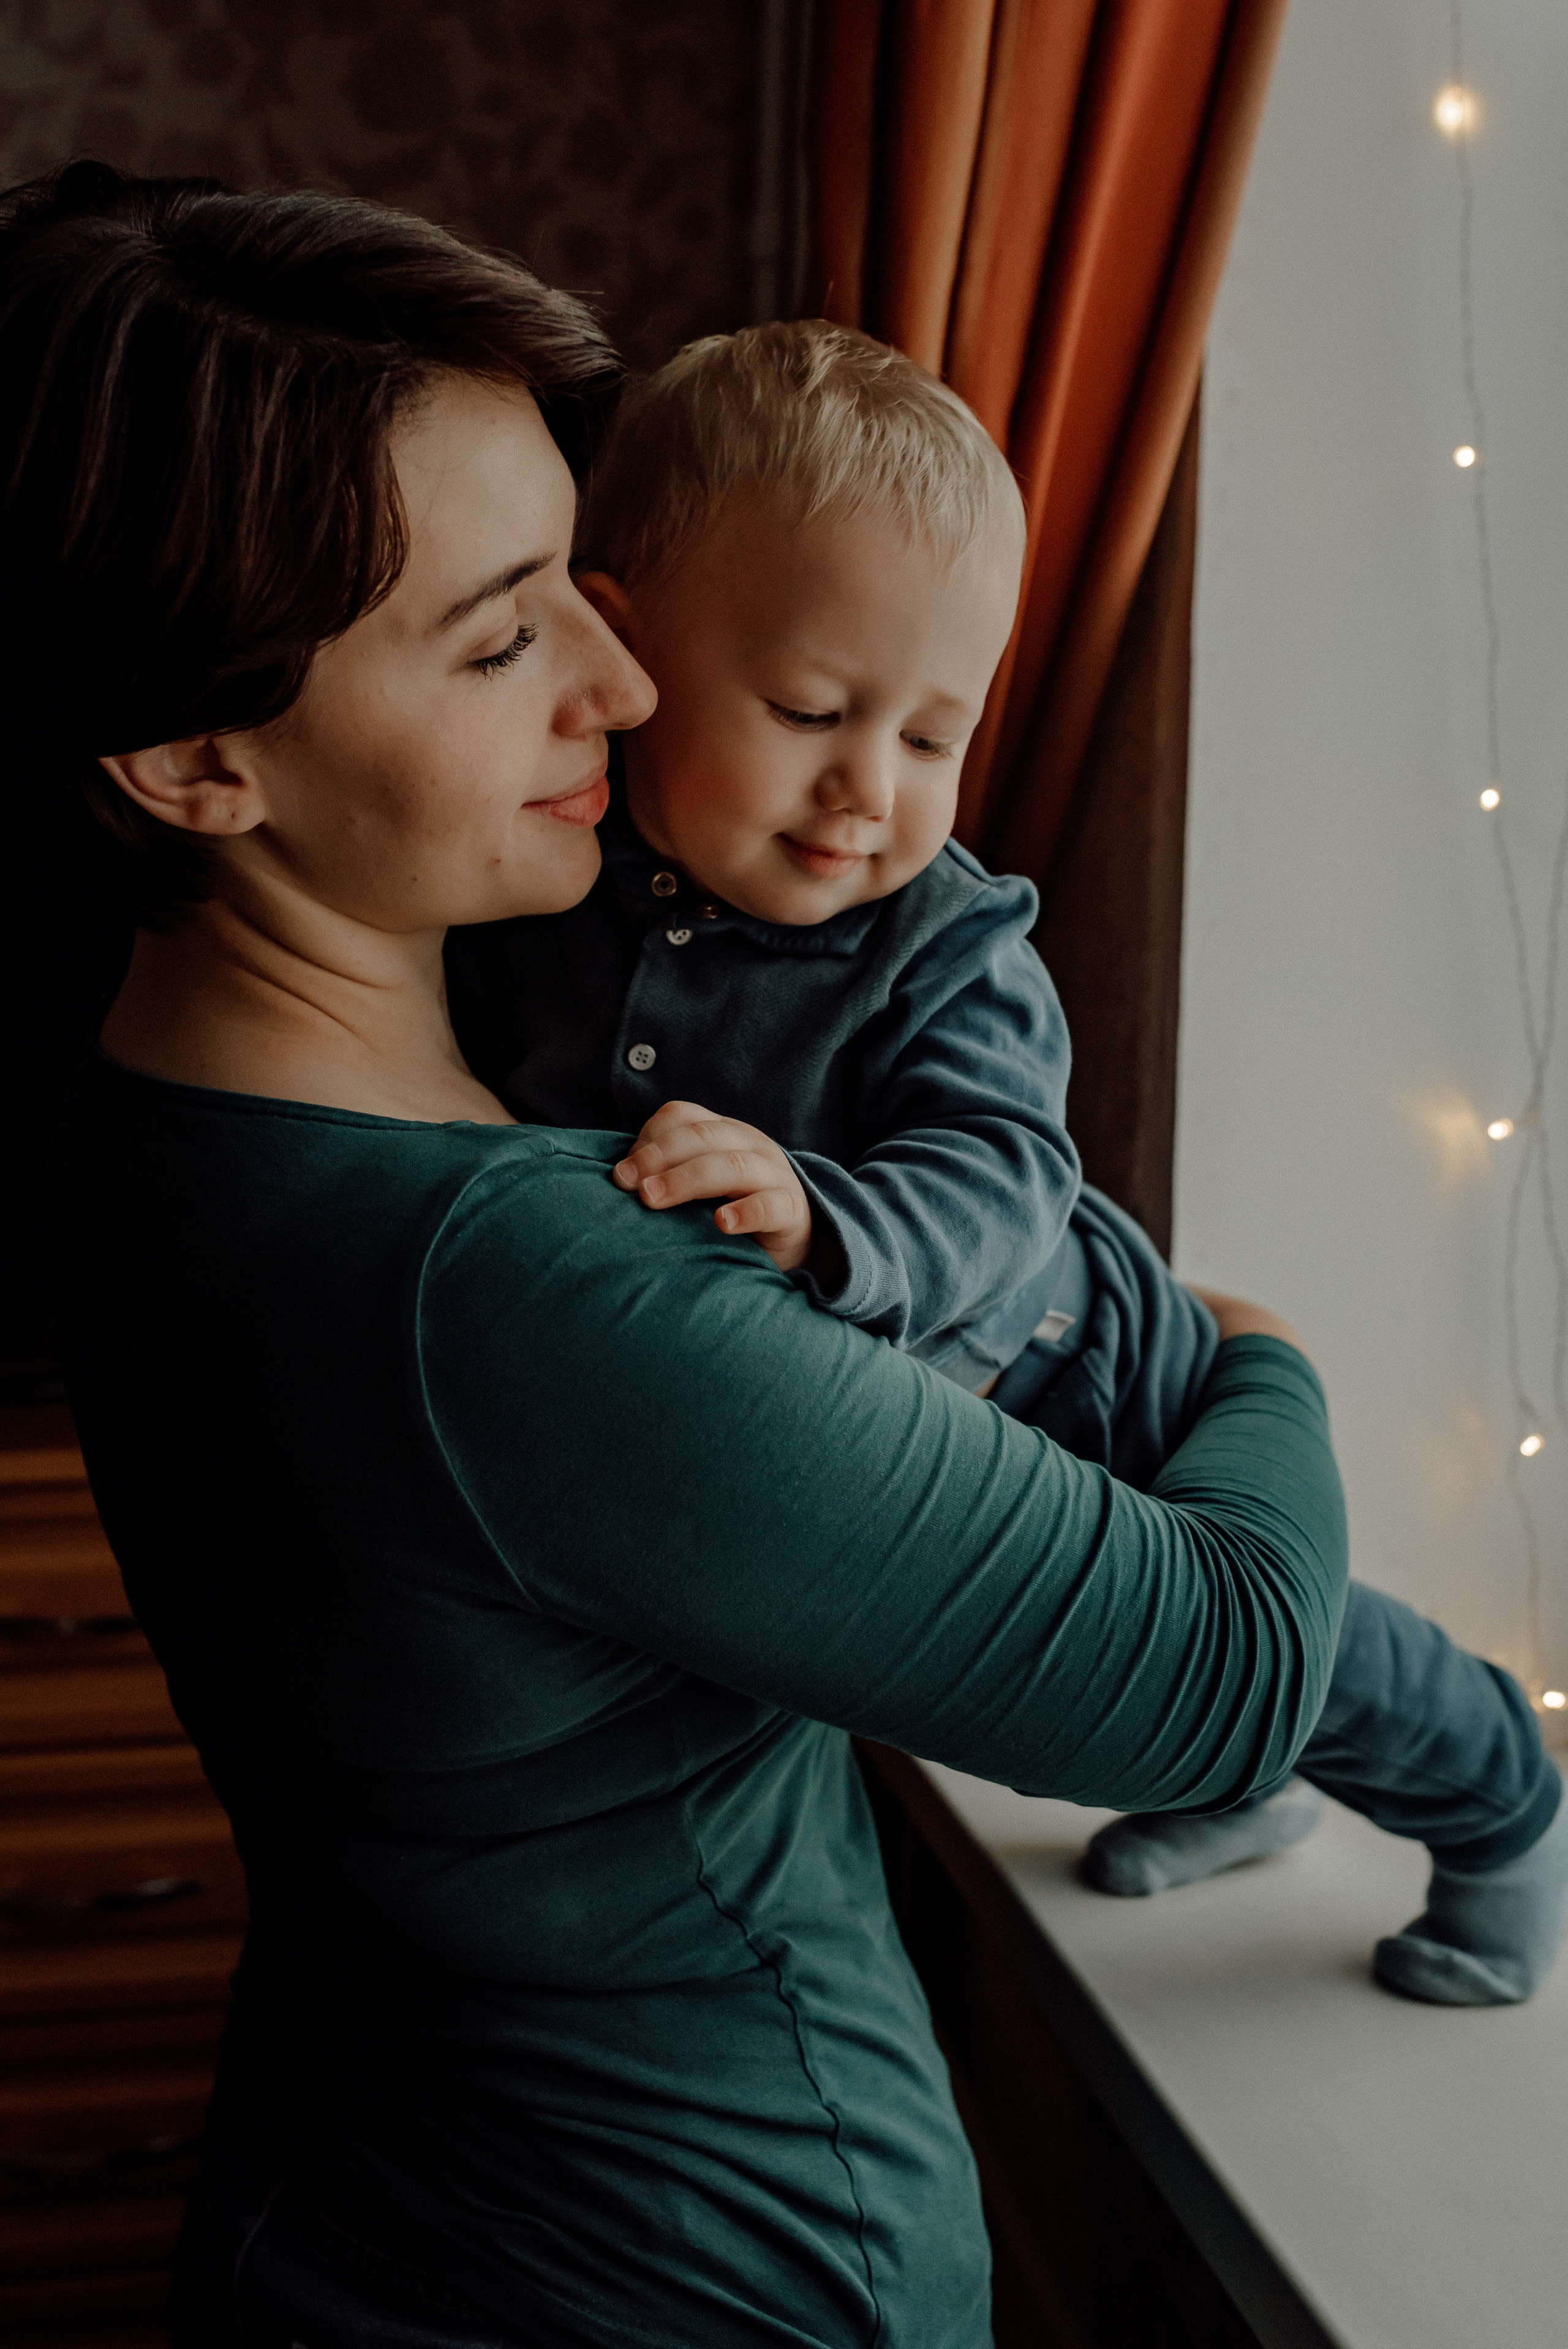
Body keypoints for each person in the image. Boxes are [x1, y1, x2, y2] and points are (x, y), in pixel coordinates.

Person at [10, 162, 1346, 2349]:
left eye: (590, 593)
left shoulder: (140, 1117)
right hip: (700, 2281)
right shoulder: (529, 1290)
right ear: (186, 759)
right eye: (506, 625)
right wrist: (1252, 1354)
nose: (626, 687)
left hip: (336, 2211)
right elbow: (1222, 1680)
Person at [447, 320, 1568, 2011]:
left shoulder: (949, 945)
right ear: (623, 642)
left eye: (930, 735)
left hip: (1079, 1369)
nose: (869, 789)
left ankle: (1507, 1798)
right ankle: (1243, 1799)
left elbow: (1004, 1167)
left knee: (1293, 1643)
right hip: (851, 1427)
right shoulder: (557, 885)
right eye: (816, 707)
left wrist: (831, 1211)